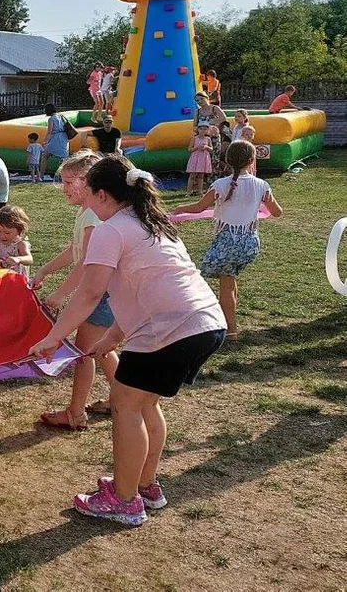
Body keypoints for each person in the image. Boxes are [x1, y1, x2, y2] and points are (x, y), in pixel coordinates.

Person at [29, 156, 227, 526]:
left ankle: (124, 499)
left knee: (126, 405)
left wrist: (54, 337)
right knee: (143, 404)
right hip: (203, 323)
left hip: (171, 329)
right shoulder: (151, 221)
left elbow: (89, 295)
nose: (84, 199)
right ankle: (145, 485)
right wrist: (114, 336)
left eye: (87, 192)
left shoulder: (111, 229)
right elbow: (145, 287)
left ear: (102, 194)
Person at [31, 151, 117, 430]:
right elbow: (74, 251)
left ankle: (76, 413)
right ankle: (124, 398)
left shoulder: (93, 214)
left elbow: (85, 263)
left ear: (88, 182)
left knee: (84, 352)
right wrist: (46, 270)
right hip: (104, 291)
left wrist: (60, 295)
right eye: (63, 182)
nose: (63, 189)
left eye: (69, 182)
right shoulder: (87, 212)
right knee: (100, 350)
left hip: (102, 293)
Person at [173, 141, 283, 344]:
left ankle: (231, 332)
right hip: (250, 244)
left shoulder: (221, 185)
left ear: (227, 161)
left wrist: (179, 209)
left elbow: (198, 208)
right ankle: (229, 322)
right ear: (252, 160)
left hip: (227, 243)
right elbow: (277, 212)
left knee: (226, 287)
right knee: (230, 283)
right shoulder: (262, 185)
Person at [43, 103, 71, 180]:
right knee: (63, 158)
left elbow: (49, 132)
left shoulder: (51, 119)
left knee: (45, 156)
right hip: (64, 138)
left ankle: (41, 175)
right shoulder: (60, 116)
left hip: (56, 138)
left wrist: (45, 142)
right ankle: (62, 176)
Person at [186, 123, 214, 196]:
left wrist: (206, 147)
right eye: (201, 129)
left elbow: (211, 149)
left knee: (201, 175)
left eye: (205, 129)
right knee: (192, 175)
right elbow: (189, 149)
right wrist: (196, 148)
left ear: (207, 130)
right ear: (198, 130)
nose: (202, 131)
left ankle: (200, 191)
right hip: (195, 158)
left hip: (203, 158)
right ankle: (188, 192)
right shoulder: (194, 138)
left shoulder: (208, 139)